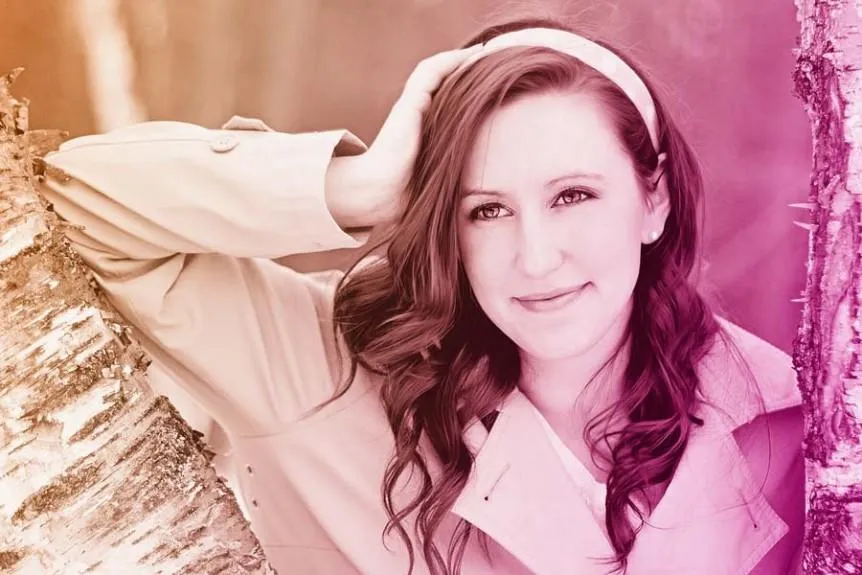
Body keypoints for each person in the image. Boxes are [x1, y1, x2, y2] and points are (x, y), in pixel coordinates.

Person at [41, 16, 803, 575]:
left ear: (654, 199)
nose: (537, 256)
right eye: (488, 209)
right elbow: (71, 207)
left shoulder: (789, 423)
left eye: (573, 195)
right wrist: (360, 186)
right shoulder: (332, 382)